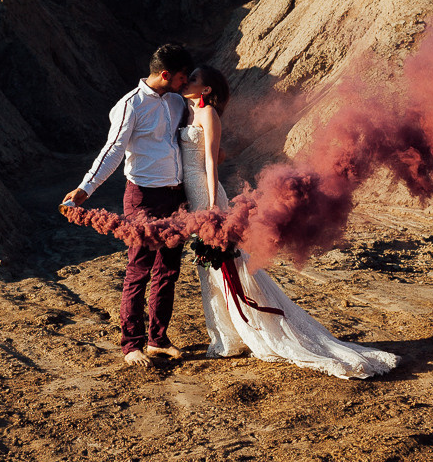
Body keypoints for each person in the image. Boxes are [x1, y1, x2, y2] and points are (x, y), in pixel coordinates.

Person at [180, 65, 400, 379]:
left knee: (225, 265)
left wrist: (214, 203)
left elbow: (212, 161)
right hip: (191, 193)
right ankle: (227, 336)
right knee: (209, 271)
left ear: (206, 90)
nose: (186, 81)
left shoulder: (208, 114)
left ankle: (247, 332)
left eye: (193, 79)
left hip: (206, 192)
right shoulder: (185, 110)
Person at [63, 43, 194, 367]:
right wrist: (85, 188)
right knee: (139, 269)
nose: (185, 83)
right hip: (143, 197)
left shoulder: (177, 101)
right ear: (166, 74)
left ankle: (157, 340)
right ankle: (131, 345)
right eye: (182, 77)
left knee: (168, 270)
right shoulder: (130, 105)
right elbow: (113, 150)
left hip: (176, 196)